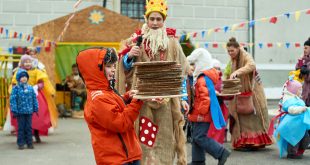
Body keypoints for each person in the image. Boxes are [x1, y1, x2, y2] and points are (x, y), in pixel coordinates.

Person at [116, 0, 189, 164]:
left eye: (159, 19)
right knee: (144, 139)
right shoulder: (136, 41)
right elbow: (124, 70)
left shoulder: (172, 43)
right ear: (146, 20)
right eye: (152, 19)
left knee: (165, 138)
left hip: (167, 101)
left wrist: (183, 99)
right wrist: (129, 57)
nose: (155, 23)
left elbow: (181, 72)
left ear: (164, 21)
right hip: (142, 102)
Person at [76, 47, 144, 165]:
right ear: (94, 70)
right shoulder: (98, 99)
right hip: (116, 159)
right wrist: (136, 102)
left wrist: (127, 97)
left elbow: (114, 105)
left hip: (127, 155)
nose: (113, 70)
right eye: (108, 66)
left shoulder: (106, 91)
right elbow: (121, 122)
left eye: (114, 66)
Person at [225, 37, 273, 150]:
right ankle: (244, 142)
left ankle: (254, 142)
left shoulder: (245, 55)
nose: (230, 53)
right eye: (228, 51)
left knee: (252, 117)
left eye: (232, 50)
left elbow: (252, 65)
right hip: (239, 92)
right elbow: (228, 73)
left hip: (252, 92)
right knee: (241, 118)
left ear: (238, 48)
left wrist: (237, 72)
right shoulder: (233, 60)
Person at [187, 48, 230, 165]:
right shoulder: (202, 78)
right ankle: (198, 161)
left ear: (200, 64)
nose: (193, 67)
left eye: (194, 64)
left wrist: (200, 113)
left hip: (202, 114)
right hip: (199, 113)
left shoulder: (202, 79)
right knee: (196, 138)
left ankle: (221, 152)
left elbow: (206, 99)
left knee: (199, 137)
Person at [11, 55, 54, 143]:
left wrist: (37, 86)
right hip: (22, 97)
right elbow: (14, 84)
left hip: (35, 95)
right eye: (25, 62)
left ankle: (37, 134)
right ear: (22, 63)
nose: (28, 64)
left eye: (29, 62)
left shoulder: (37, 71)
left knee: (38, 116)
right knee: (22, 118)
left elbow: (42, 83)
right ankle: (23, 137)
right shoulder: (19, 72)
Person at [273, 79, 310, 159]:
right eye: (299, 89)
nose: (301, 91)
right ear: (294, 90)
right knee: (293, 138)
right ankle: (292, 153)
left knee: (305, 137)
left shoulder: (297, 98)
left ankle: (300, 150)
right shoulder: (289, 100)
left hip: (300, 124)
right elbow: (291, 109)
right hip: (292, 124)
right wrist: (302, 109)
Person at [10, 69, 38, 150]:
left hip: (29, 111)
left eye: (25, 76)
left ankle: (29, 143)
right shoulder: (16, 88)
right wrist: (14, 110)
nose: (24, 78)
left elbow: (34, 98)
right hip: (20, 112)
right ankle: (21, 143)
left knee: (29, 127)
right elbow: (13, 100)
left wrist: (35, 107)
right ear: (18, 78)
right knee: (21, 127)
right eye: (22, 77)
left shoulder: (30, 88)